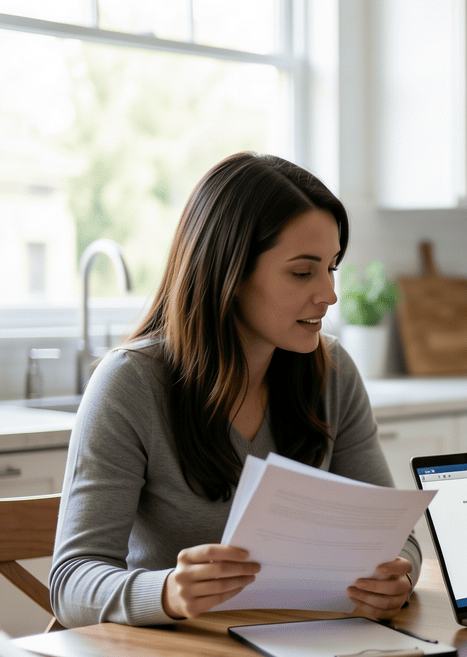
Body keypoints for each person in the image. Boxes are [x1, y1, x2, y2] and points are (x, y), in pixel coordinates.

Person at [51, 153, 419, 628]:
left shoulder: (333, 372)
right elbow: (71, 583)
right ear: (229, 272)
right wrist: (166, 592)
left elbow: (396, 539)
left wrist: (397, 580)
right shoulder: (131, 383)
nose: (328, 293)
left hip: (309, 648)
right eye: (303, 272)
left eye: (332, 267)